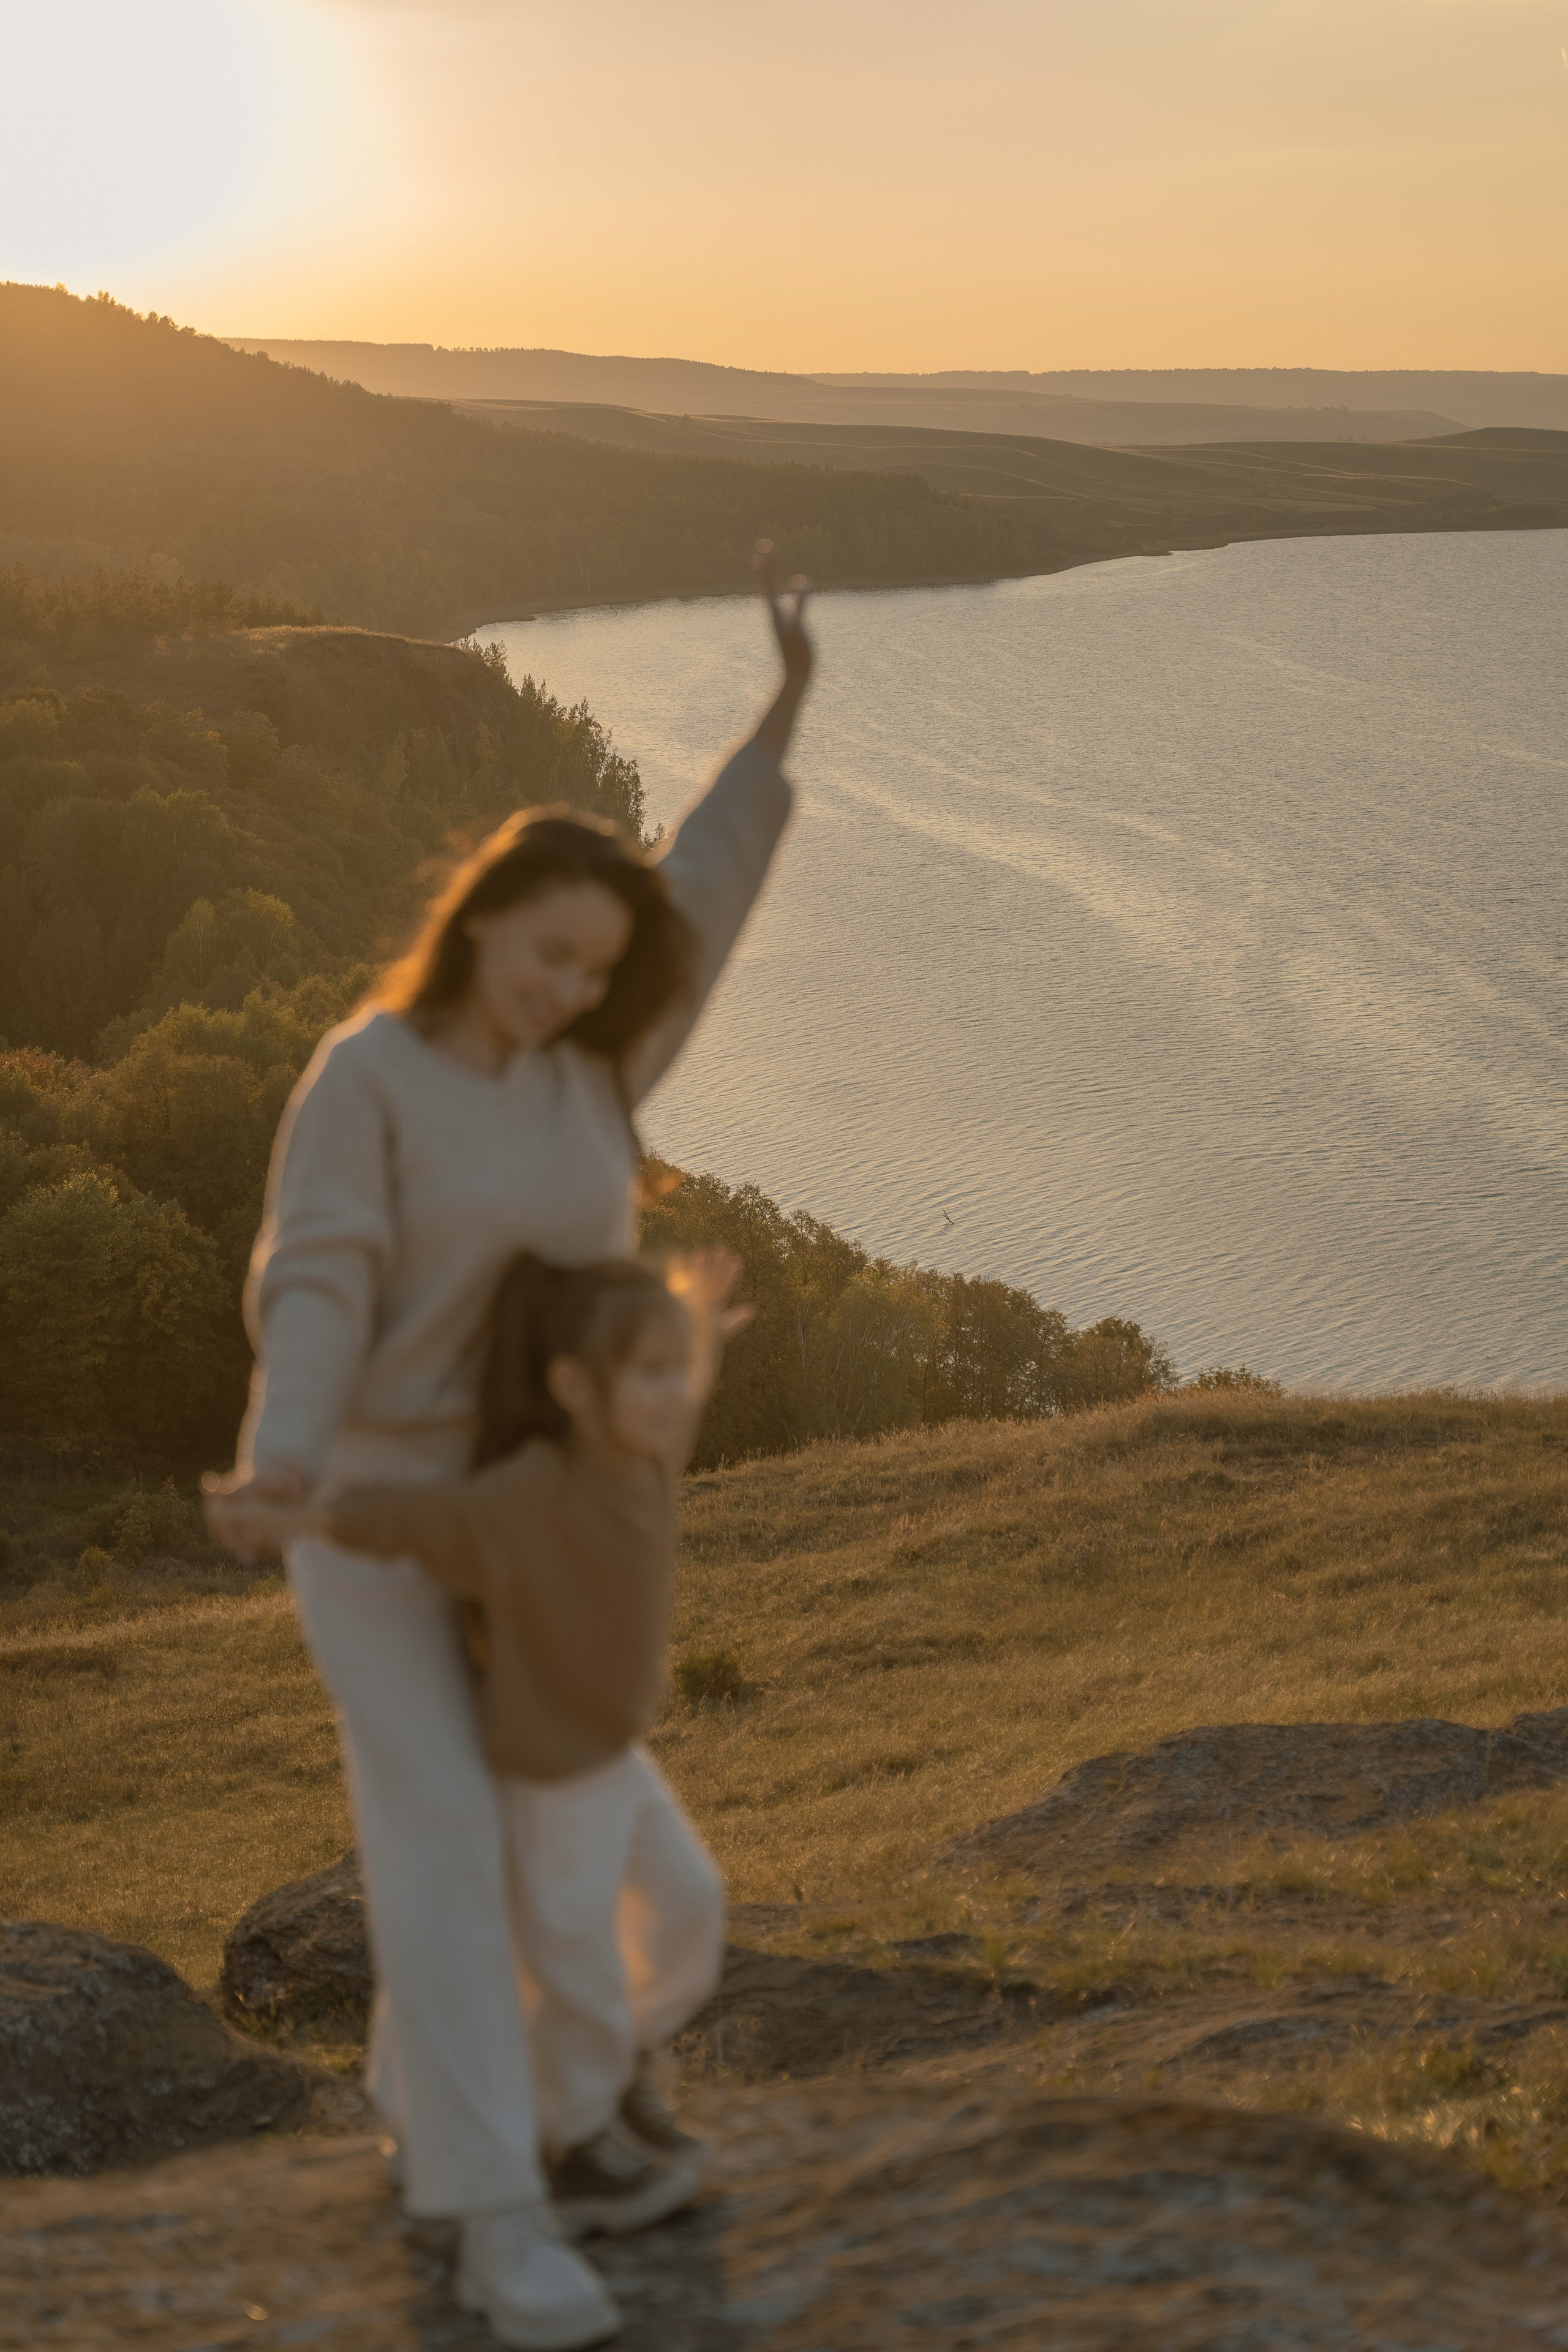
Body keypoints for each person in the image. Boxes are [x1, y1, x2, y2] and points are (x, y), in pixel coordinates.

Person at [205, 554, 811, 2352]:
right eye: (550, 953)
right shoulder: (368, 1077)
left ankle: (507, 2101)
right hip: (368, 1518)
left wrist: (780, 717)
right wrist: (284, 1457)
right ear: (477, 919)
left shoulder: (588, 1073)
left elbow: (703, 891)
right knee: (443, 1847)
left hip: (530, 1518)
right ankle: (489, 2216)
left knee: (636, 1878)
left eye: (597, 970)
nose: (569, 989)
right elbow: (316, 1274)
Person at [217, 1246, 750, 2253]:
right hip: (548, 1775)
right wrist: (295, 1515)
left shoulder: (643, 1458)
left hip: (617, 1758)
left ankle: (611, 2073)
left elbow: (682, 1398)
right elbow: (419, 1520)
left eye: (675, 1373)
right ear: (573, 1387)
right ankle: (578, 2153)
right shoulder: (533, 1494)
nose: (674, 1393)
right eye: (650, 1374)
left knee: (690, 1904)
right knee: (575, 1961)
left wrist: (700, 1333)